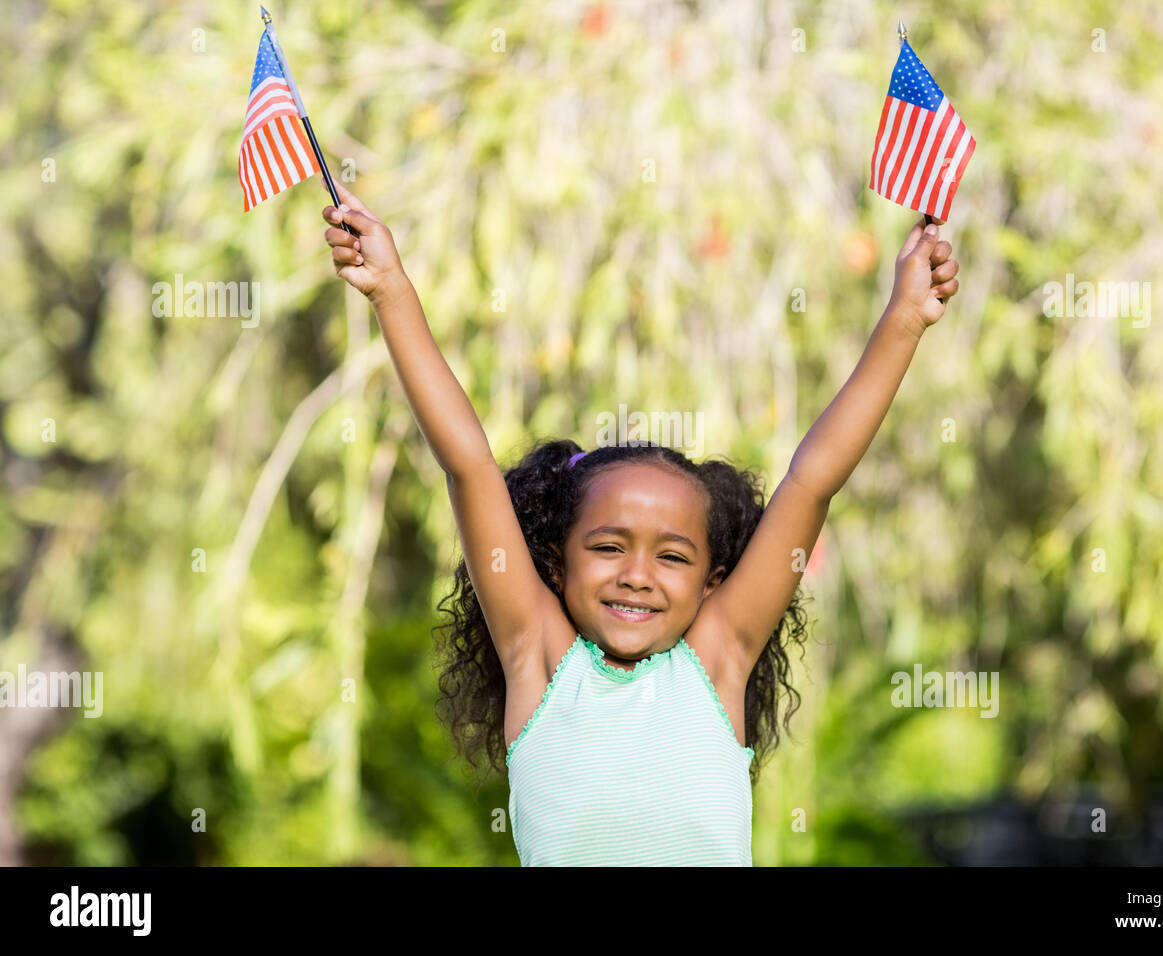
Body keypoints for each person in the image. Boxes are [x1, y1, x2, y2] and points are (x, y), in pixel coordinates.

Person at [320, 178, 959, 865]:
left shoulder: (718, 662)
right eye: (609, 546)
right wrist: (390, 289)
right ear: (556, 562)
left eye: (673, 557)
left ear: (714, 582)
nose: (637, 576)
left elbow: (812, 481)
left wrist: (905, 318)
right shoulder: (539, 661)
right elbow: (470, 466)